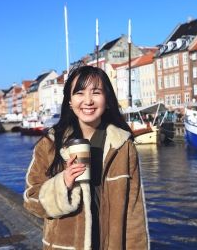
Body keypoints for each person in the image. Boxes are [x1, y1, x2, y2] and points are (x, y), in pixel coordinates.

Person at [23, 64, 149, 250]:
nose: (88, 100)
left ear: (107, 100)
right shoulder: (50, 144)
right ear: (69, 101)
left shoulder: (122, 145)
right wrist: (62, 184)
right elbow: (30, 200)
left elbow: (134, 212)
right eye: (80, 93)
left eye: (96, 92)